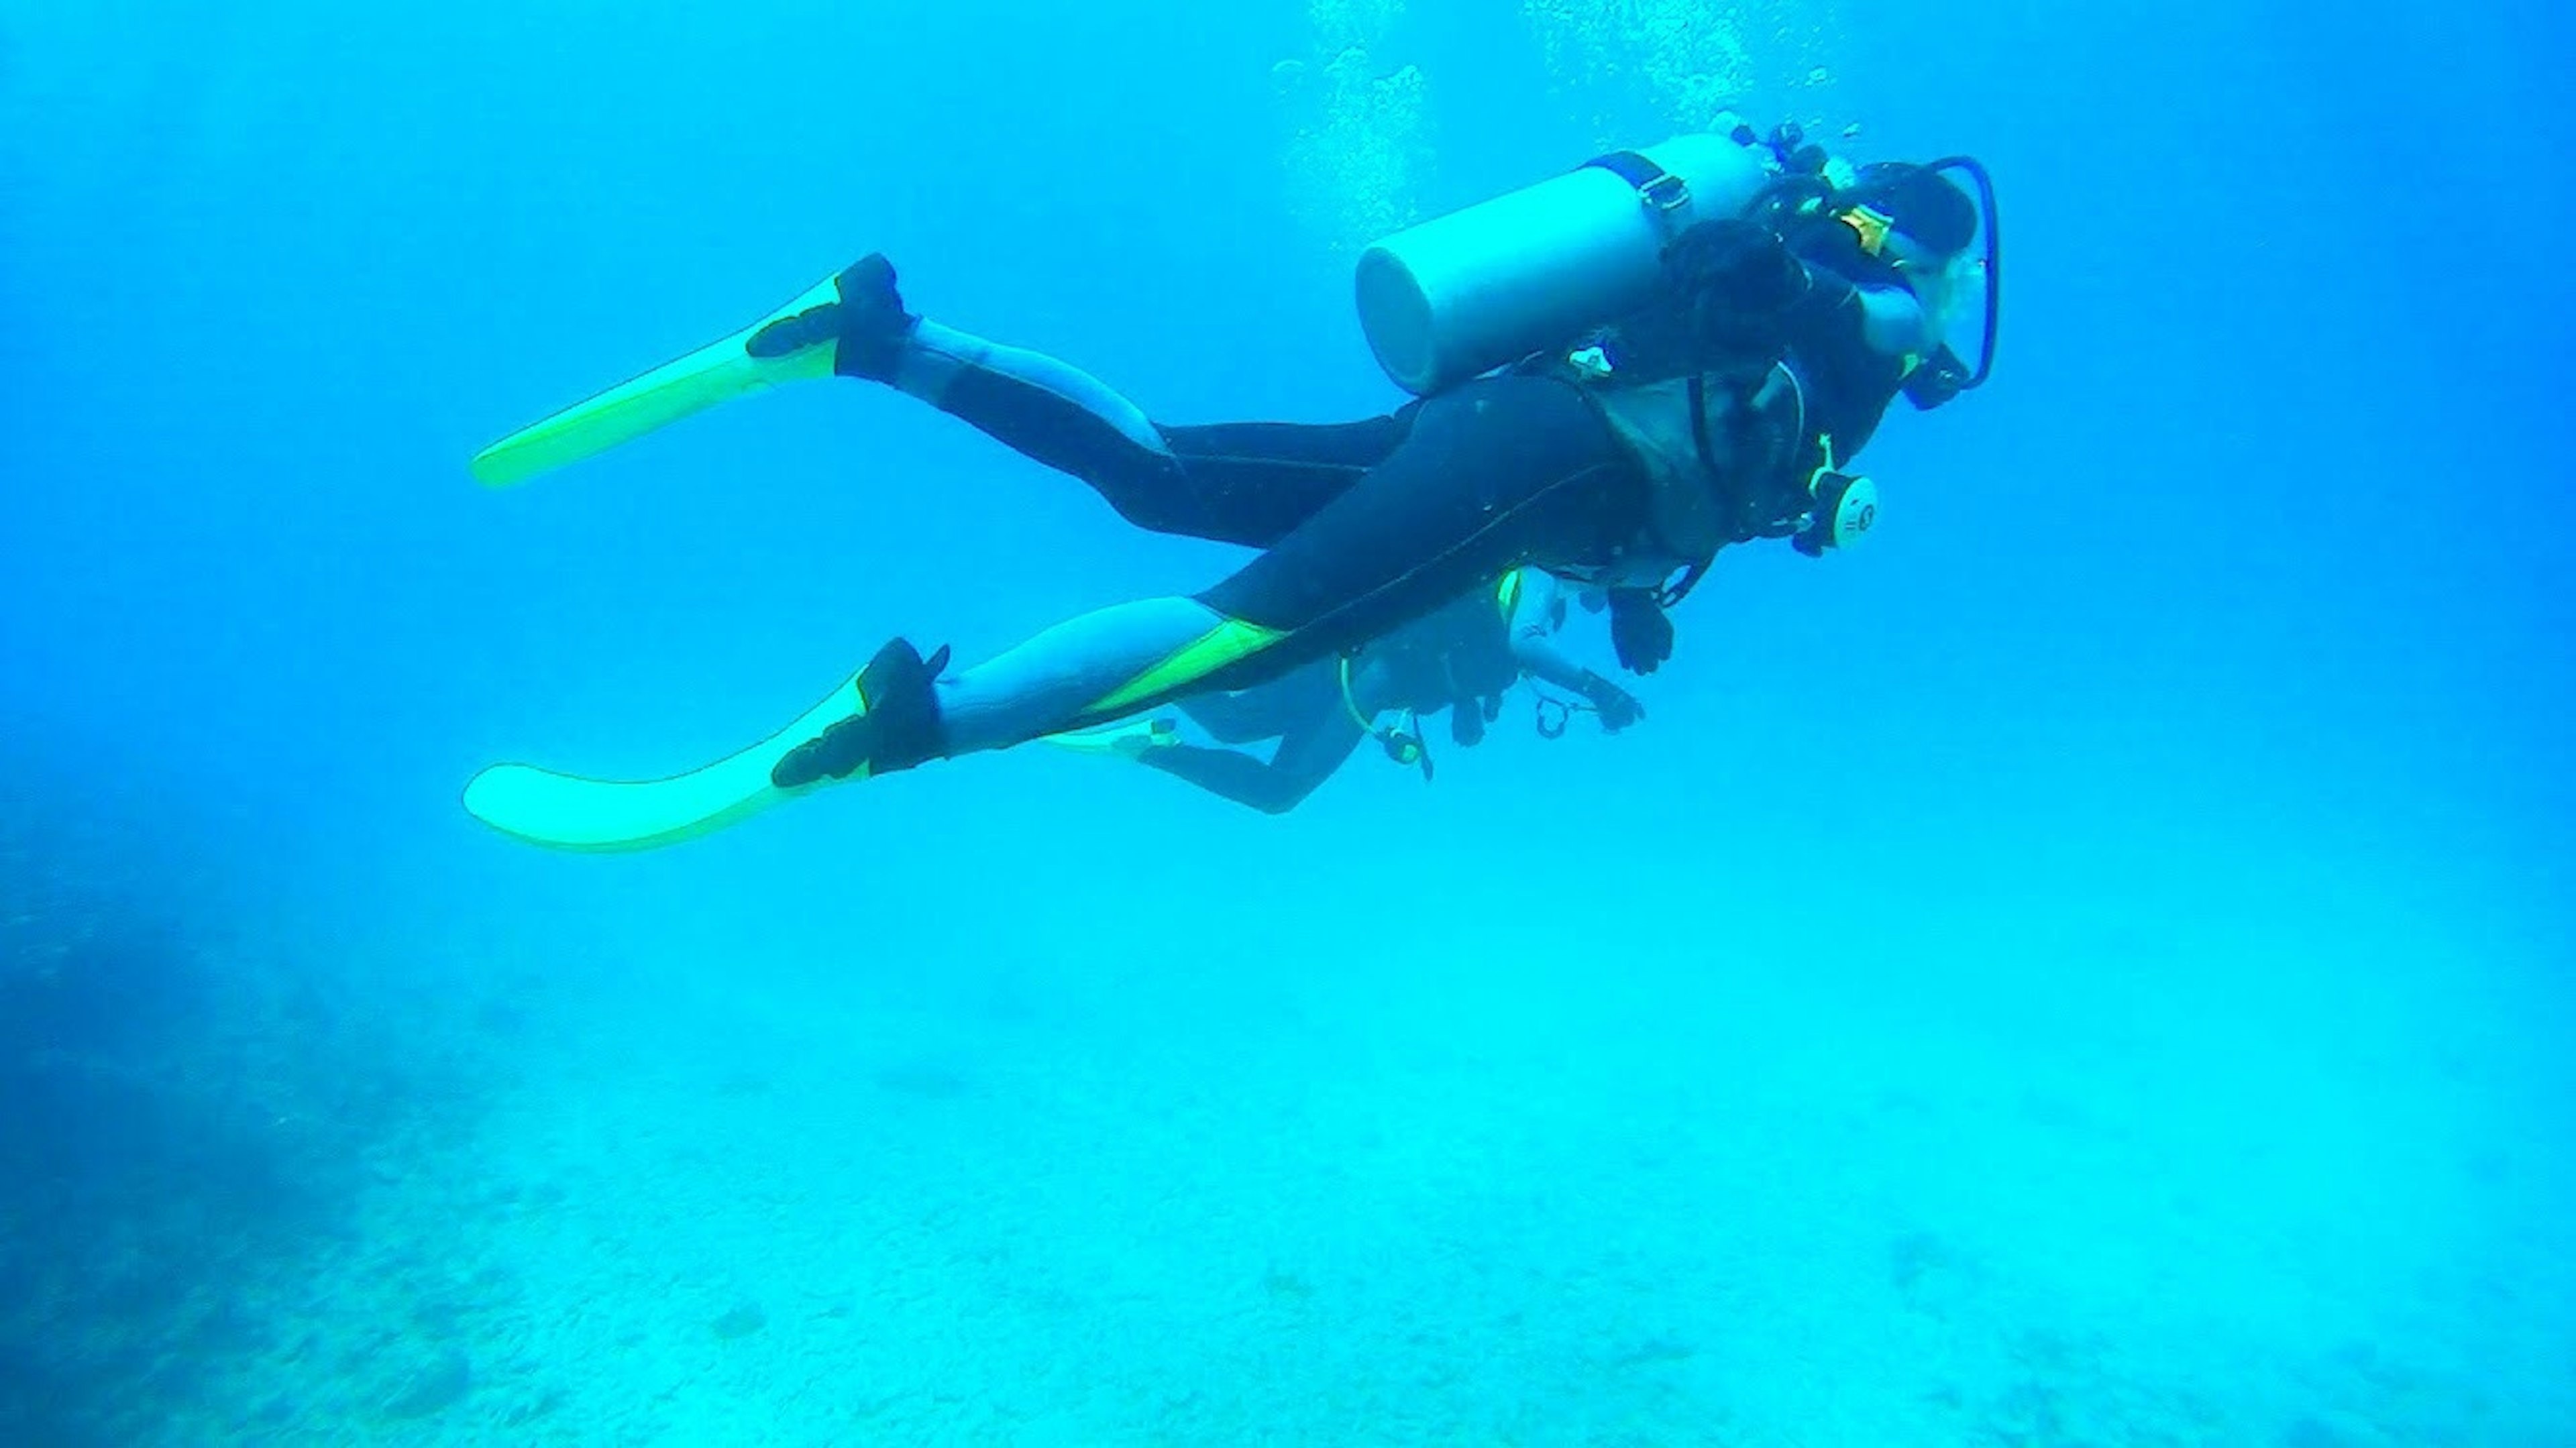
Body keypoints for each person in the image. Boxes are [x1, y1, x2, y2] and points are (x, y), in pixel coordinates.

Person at [461, 123, 1997, 852]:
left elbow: (1719, 429)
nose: (1937, 334)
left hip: (1512, 437)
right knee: (1239, 633)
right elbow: (1769, 365)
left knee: (1163, 474)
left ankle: (874, 335)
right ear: (1922, 263)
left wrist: (1636, 598)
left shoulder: (1810, 275)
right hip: (1540, 462)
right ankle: (900, 724)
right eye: (1946, 294)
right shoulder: (1861, 301)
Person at [1050, 567, 1644, 814]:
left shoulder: (1529, 583)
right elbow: (1525, 645)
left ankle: (1147, 730)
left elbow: (1474, 641)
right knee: (1272, 781)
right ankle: (1144, 664)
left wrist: (1464, 703)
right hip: (1365, 674)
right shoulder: (1540, 574)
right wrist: (1601, 690)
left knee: (1239, 732)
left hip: (1365, 675)